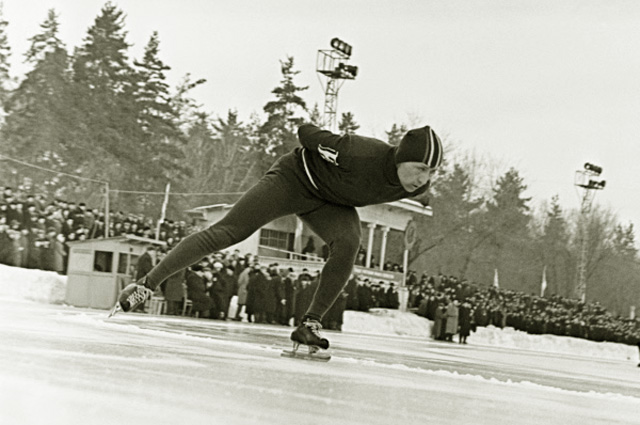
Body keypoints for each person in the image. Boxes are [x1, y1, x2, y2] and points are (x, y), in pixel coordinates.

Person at [113, 123, 443, 354]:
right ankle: (146, 284)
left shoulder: (418, 186)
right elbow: (306, 132)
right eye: (418, 169)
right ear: (401, 158)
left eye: (431, 172)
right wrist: (325, 153)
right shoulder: (359, 152)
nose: (422, 179)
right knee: (229, 232)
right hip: (294, 180)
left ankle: (310, 324)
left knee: (348, 245)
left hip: (330, 203)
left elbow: (417, 189)